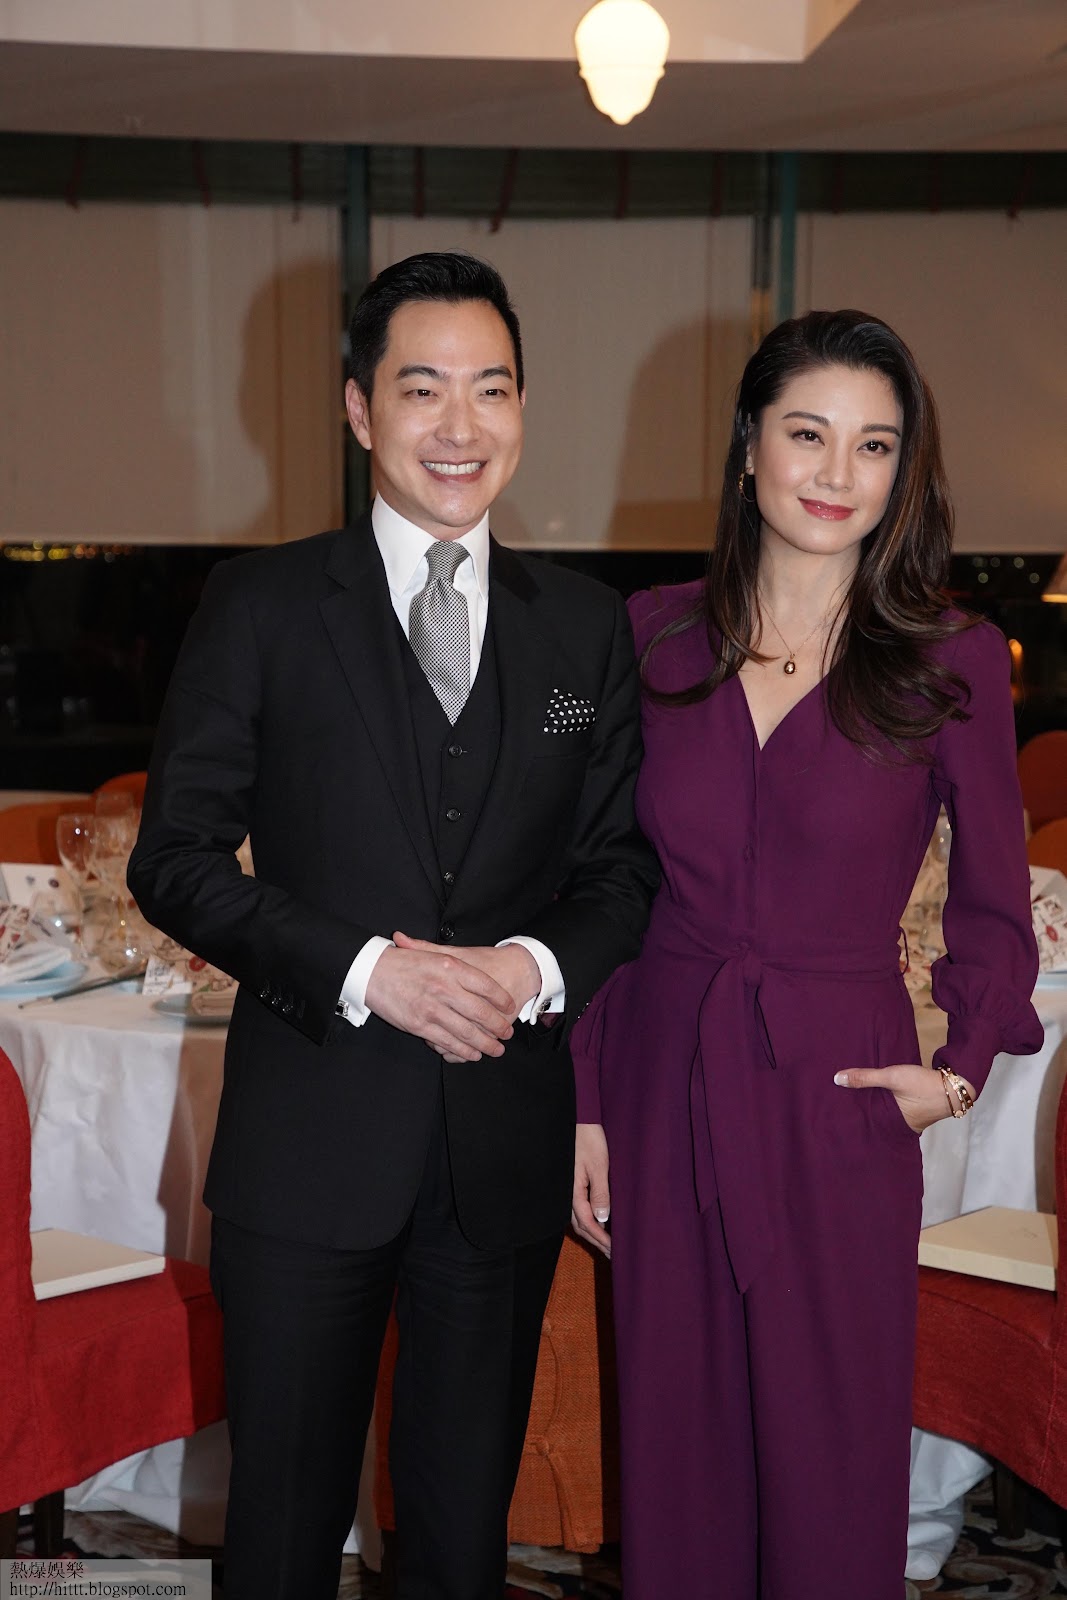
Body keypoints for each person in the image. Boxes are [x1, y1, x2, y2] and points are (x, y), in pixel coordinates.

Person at [128, 250, 658, 1600]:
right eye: (424, 389)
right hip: (311, 1137)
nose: (460, 425)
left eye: (492, 390)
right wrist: (369, 971)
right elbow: (176, 861)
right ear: (361, 408)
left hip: (500, 1150)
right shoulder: (261, 607)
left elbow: (617, 869)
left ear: (524, 409)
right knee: (282, 1537)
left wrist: (529, 966)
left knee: (463, 1538)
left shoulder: (580, 635)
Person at [570, 309, 1042, 1599]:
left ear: (903, 470)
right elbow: (588, 867)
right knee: (678, 1437)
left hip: (844, 1083)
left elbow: (995, 901)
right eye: (808, 434)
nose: (838, 474)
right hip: (662, 1075)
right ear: (747, 449)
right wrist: (585, 1100)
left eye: (874, 445)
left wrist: (958, 1070)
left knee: (833, 1442)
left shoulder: (955, 660)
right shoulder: (640, 636)